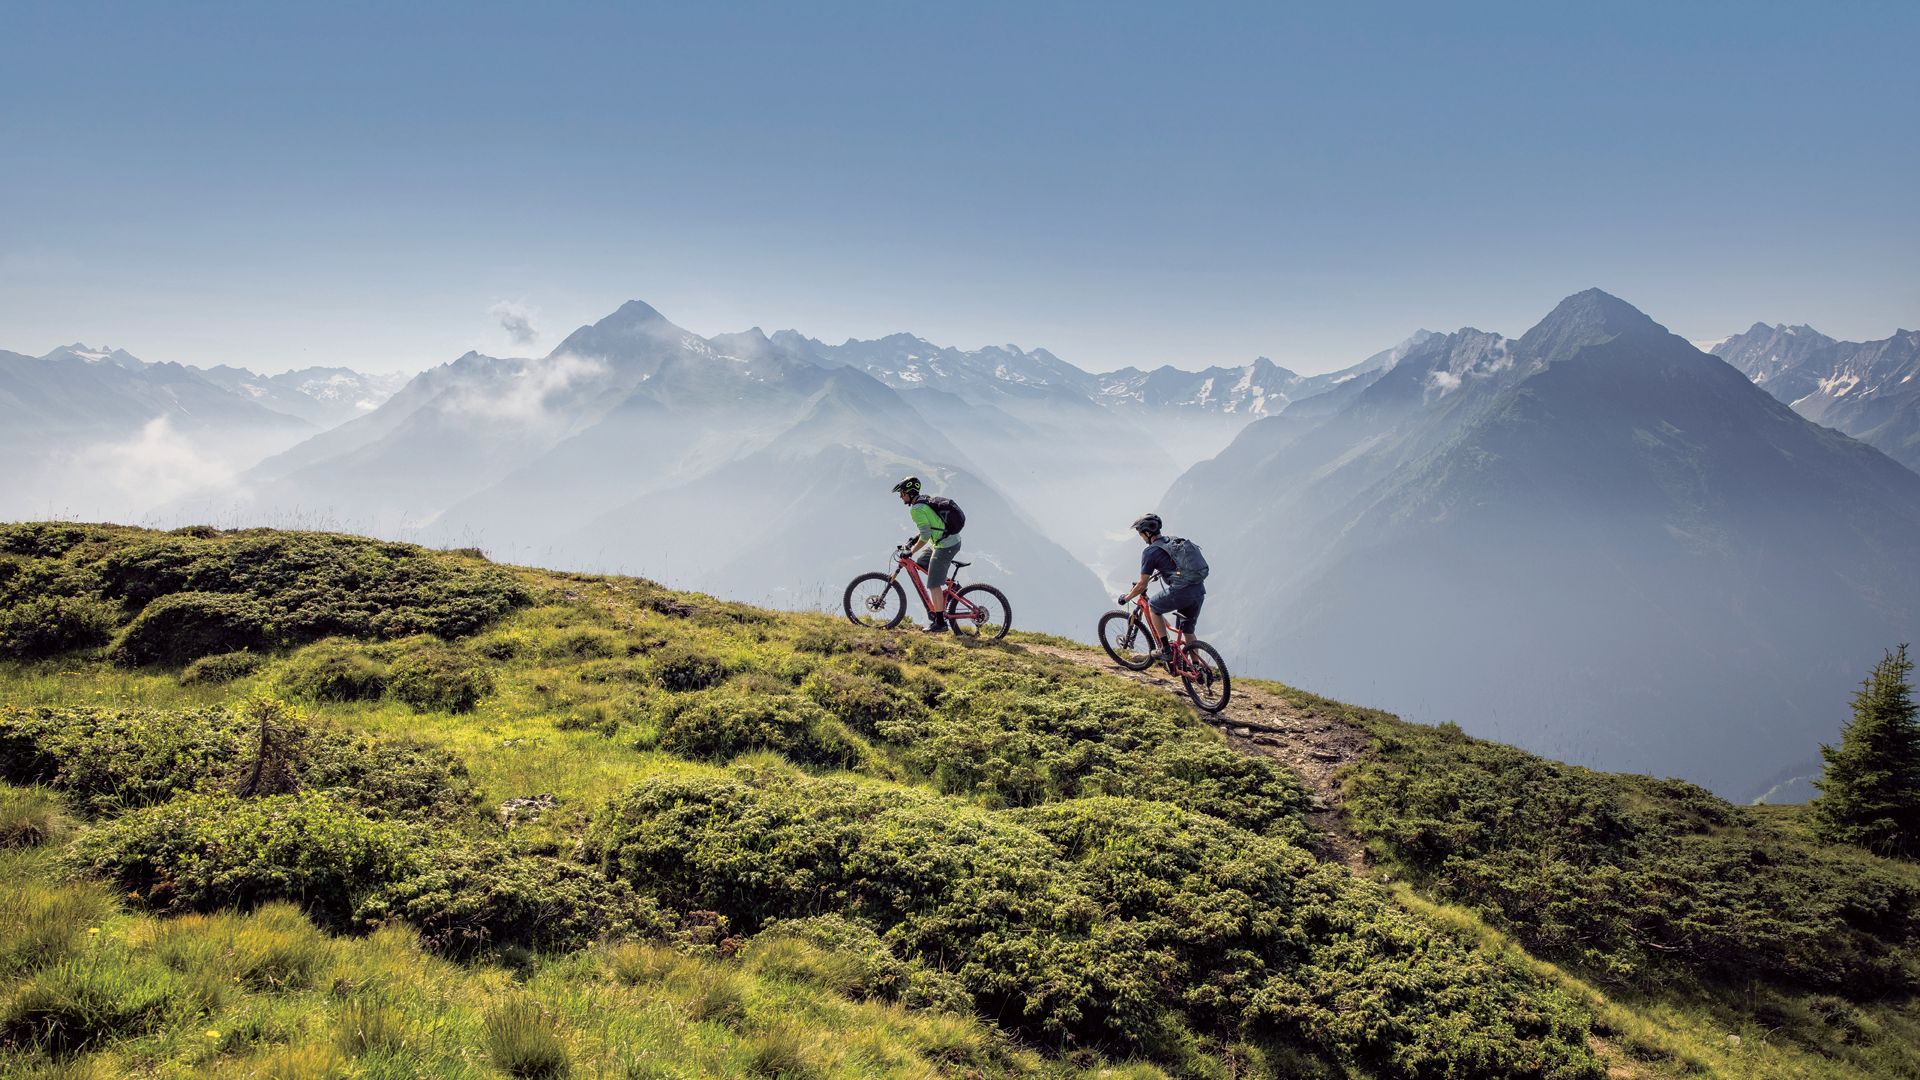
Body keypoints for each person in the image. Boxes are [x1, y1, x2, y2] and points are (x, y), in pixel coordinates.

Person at [1117, 512, 1206, 662]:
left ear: (1147, 533)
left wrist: (1126, 598)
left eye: (1141, 534)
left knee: (1153, 606)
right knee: (1187, 630)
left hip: (1181, 591)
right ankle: (1196, 667)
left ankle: (1165, 650)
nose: (1142, 537)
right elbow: (1175, 564)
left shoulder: (1150, 552)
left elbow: (1142, 584)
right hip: (1198, 590)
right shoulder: (1173, 541)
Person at [892, 476, 964, 632]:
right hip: (946, 540)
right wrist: (912, 541)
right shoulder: (923, 500)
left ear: (910, 493)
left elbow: (925, 536)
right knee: (922, 562)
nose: (900, 497)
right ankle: (951, 586)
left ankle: (940, 623)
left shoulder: (916, 509)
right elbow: (930, 527)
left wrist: (910, 551)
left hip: (946, 545)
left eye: (902, 493)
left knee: (933, 584)